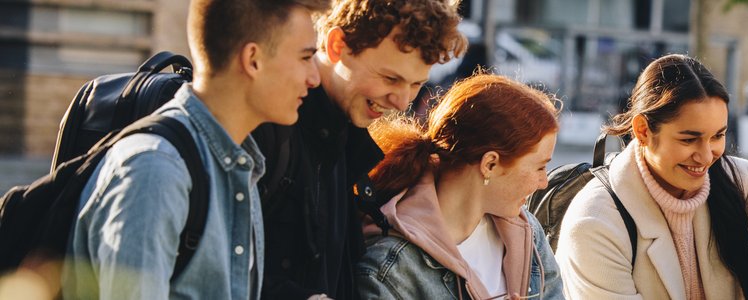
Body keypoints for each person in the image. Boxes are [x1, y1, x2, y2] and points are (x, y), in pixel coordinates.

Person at [62, 0, 326, 298]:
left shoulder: (241, 165)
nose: (314, 78)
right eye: (305, 57)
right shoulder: (155, 172)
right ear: (253, 59)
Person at [553, 54, 748, 300]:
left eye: (718, 136)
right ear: (643, 131)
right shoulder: (595, 224)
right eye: (689, 139)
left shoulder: (729, 177)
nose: (707, 156)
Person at [249, 0, 466, 299]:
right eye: (391, 78)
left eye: (416, 84)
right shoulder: (265, 129)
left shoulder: (344, 138)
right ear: (338, 46)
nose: (402, 102)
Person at [355, 74, 562, 299]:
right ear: (490, 164)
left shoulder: (527, 233)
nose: (544, 182)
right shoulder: (391, 269)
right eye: (540, 168)